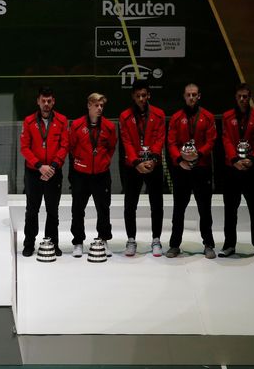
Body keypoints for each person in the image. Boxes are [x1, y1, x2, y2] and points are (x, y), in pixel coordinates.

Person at [166, 83, 217, 258]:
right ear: (184, 96)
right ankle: (174, 245)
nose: (191, 97)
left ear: (199, 96)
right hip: (182, 170)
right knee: (178, 210)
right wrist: (180, 160)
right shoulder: (176, 117)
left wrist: (198, 154)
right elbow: (171, 143)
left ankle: (209, 244)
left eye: (194, 94)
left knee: (205, 209)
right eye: (188, 94)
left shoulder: (208, 117)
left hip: (201, 168)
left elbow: (211, 141)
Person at [219, 83, 254, 260]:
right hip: (232, 169)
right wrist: (234, 161)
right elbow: (226, 140)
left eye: (245, 96)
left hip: (252, 169)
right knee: (230, 209)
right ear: (235, 96)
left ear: (250, 97)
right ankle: (229, 244)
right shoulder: (227, 116)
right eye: (239, 96)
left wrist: (252, 159)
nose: (242, 99)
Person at [19, 86, 69, 257]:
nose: (46, 104)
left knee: (52, 210)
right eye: (43, 101)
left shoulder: (62, 121)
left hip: (54, 173)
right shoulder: (28, 121)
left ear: (53, 101)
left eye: (49, 101)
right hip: (34, 172)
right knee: (32, 210)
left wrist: (53, 167)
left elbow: (64, 146)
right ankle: (29, 244)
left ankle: (52, 243)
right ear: (38, 101)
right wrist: (40, 166)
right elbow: (24, 148)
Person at [119, 80, 165, 257]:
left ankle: (156, 240)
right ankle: (131, 240)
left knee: (157, 205)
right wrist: (137, 162)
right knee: (130, 205)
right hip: (133, 166)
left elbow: (159, 139)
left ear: (149, 95)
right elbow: (127, 141)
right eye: (137, 96)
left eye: (143, 95)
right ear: (133, 96)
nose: (141, 99)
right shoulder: (124, 116)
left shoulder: (159, 114)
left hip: (154, 165)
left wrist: (152, 160)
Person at [69, 93, 117, 257]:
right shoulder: (76, 125)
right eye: (96, 105)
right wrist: (82, 161)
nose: (99, 108)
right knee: (77, 209)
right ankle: (77, 242)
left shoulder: (109, 127)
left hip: (101, 175)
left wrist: (102, 162)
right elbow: (72, 148)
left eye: (102, 106)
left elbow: (111, 148)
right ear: (89, 105)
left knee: (103, 209)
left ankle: (103, 239)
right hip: (81, 174)